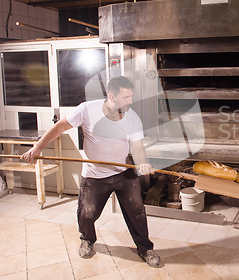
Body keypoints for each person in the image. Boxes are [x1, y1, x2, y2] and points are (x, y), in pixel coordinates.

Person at [20, 76, 161, 267]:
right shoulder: (87, 109)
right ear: (112, 97)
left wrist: (142, 163)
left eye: (131, 96)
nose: (130, 101)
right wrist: (38, 148)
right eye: (126, 97)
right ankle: (87, 240)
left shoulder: (132, 117)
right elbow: (59, 127)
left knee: (137, 211)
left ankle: (145, 248)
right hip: (95, 175)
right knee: (86, 213)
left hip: (123, 172)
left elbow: (137, 147)